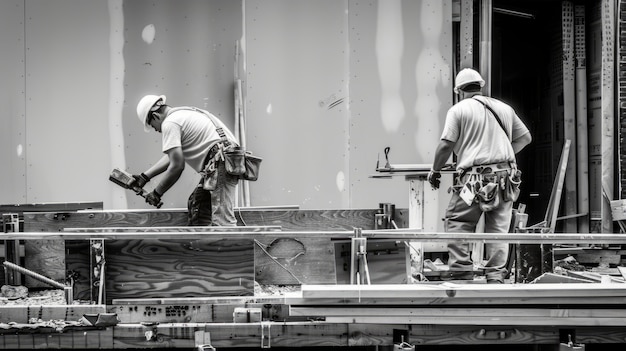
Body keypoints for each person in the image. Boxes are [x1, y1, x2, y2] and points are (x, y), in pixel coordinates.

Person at [427, 68, 532, 283]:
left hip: (474, 180)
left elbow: (446, 144)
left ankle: (462, 273)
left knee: (458, 220)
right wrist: (500, 153)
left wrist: (435, 170)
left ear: (458, 90)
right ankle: (495, 277)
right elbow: (525, 138)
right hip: (506, 178)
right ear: (481, 86)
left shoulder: (459, 110)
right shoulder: (505, 108)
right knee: (499, 228)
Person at [131, 94, 240, 226]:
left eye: (153, 126)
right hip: (225, 159)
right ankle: (202, 245)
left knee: (223, 220)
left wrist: (157, 193)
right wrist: (145, 176)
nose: (156, 130)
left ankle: (231, 244)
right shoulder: (183, 114)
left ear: (155, 116)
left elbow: (177, 166)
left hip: (221, 161)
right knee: (198, 204)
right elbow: (172, 156)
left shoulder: (170, 123)